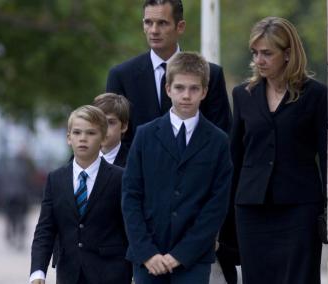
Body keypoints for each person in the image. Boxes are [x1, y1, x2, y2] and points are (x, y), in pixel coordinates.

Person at [121, 52, 233, 284]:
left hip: (194, 258)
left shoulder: (218, 141)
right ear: (168, 88)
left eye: (194, 89)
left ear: (204, 91)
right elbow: (131, 196)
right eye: (180, 88)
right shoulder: (145, 135)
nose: (186, 95)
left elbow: (216, 205)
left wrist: (181, 254)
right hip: (147, 256)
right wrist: (147, 252)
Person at [231, 17, 328, 284]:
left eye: (267, 53)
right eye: (255, 53)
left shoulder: (316, 95)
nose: (259, 60)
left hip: (300, 209)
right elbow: (235, 157)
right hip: (252, 210)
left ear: (288, 54)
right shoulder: (243, 95)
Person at [106, 0, 232, 149]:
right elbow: (113, 137)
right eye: (148, 22)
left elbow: (222, 135)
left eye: (162, 23)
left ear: (180, 27)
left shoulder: (212, 74)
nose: (154, 30)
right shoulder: (121, 76)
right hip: (139, 170)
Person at [29, 105, 132, 284]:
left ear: (103, 137)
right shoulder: (56, 179)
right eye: (77, 133)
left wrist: (136, 270)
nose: (83, 138)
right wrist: (37, 272)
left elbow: (131, 227)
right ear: (69, 138)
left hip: (112, 273)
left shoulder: (120, 178)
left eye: (91, 133)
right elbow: (45, 229)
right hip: (69, 274)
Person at [93, 92, 131, 167]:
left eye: (110, 122)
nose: (103, 128)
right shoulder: (78, 159)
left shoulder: (133, 161)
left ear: (123, 126)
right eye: (98, 121)